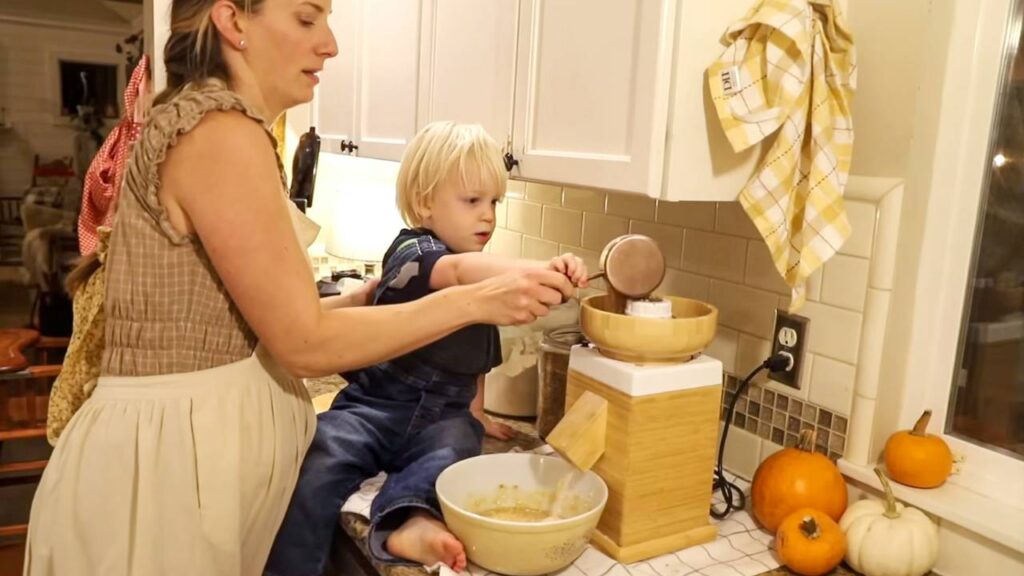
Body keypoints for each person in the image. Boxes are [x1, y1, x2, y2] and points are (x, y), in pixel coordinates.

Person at [22, 2, 574, 575]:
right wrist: (477, 301)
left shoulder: (213, 126)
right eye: (307, 18)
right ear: (233, 21)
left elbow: (224, 319)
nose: (331, 44)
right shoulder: (220, 133)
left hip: (181, 470)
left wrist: (352, 302)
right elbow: (304, 344)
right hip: (170, 483)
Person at [265, 121, 588, 575]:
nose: (488, 215)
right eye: (472, 200)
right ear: (424, 203)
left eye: (494, 201)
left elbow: (477, 365)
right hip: (373, 408)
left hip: (442, 418)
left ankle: (407, 521)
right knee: (320, 459)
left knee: (453, 454)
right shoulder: (413, 253)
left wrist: (476, 416)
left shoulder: (485, 285)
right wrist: (540, 267)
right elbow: (455, 273)